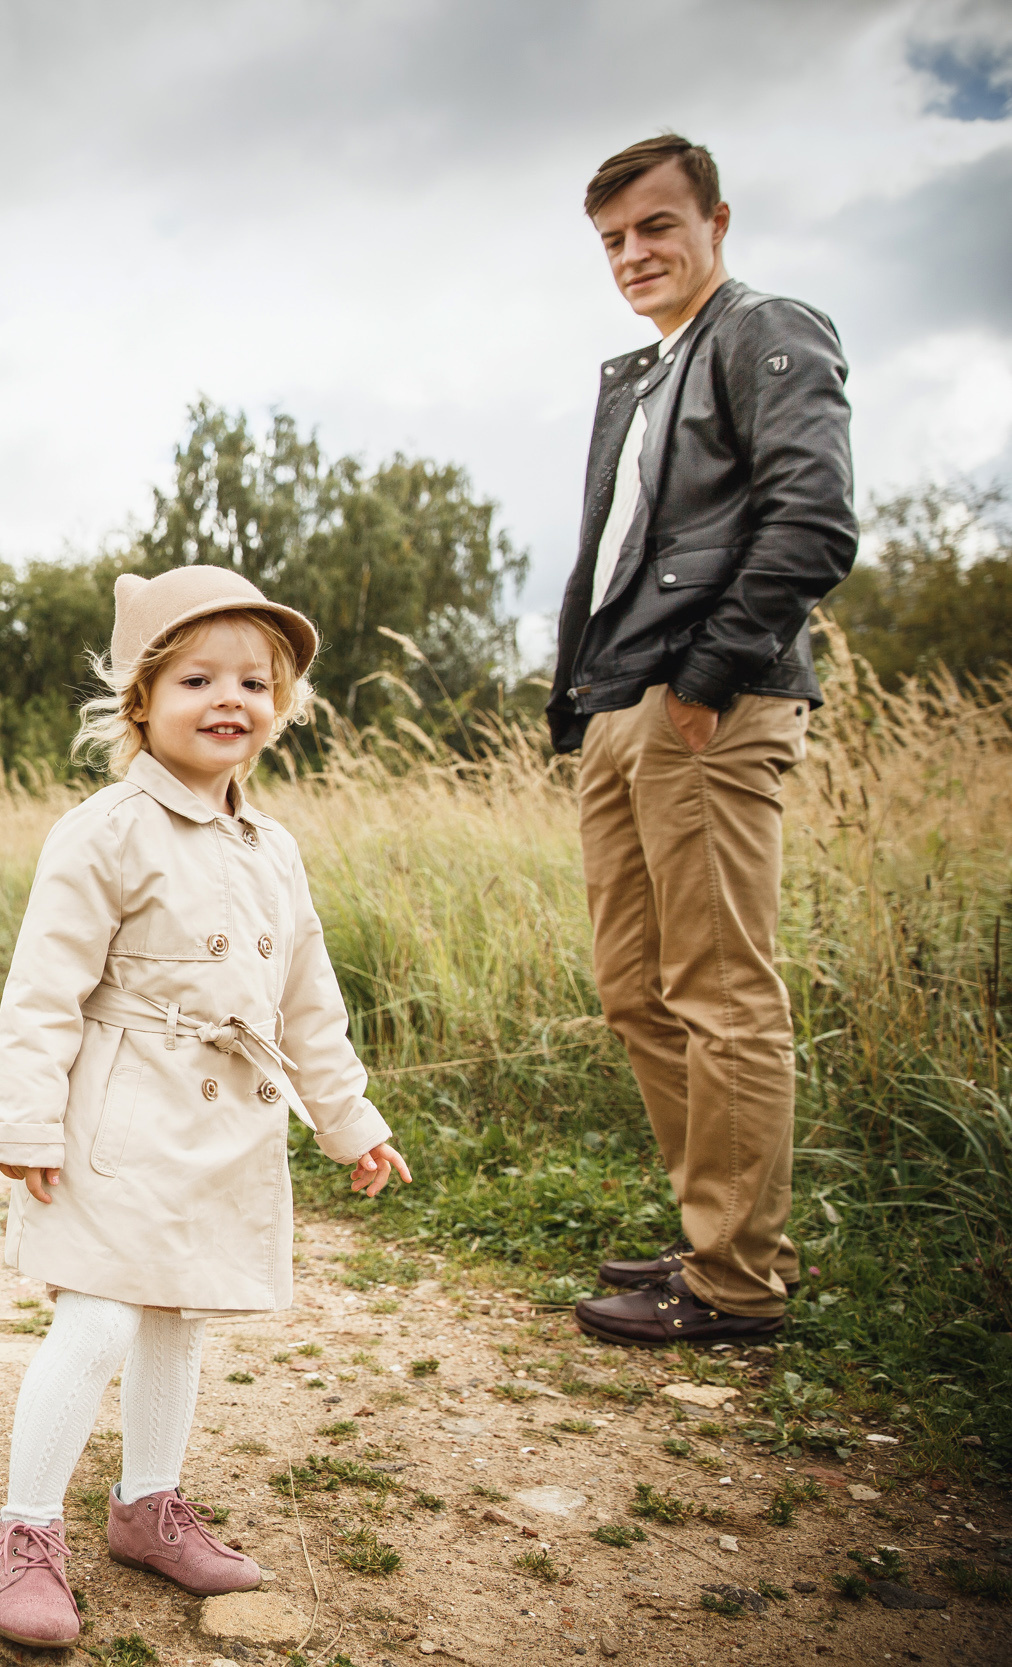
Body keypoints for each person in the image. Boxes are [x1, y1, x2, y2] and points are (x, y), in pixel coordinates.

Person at [0, 565, 411, 1648]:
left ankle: (147, 1505)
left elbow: (309, 1002)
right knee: (103, 1311)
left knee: (181, 1308)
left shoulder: (275, 849)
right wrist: (25, 1121)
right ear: (141, 700)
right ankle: (27, 1530)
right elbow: (43, 988)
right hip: (117, 1113)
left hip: (224, 1120)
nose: (230, 698)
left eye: (253, 680)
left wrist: (351, 1119)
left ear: (281, 704)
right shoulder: (104, 828)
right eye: (198, 678)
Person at [548, 135, 857, 1349]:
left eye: (656, 227)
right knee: (635, 987)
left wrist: (708, 676)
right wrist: (589, 704)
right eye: (614, 238)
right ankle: (712, 1231)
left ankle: (737, 1278)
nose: (634, 255)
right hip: (624, 699)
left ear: (714, 221)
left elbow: (813, 520)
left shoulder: (763, 330)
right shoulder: (643, 372)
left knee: (720, 989)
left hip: (705, 702)